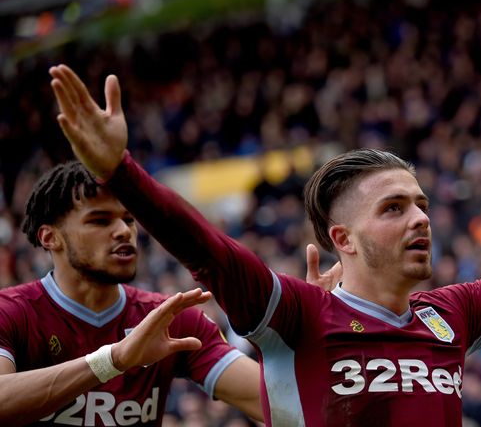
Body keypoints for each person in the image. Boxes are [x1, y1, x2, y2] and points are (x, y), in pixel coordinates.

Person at [49, 64, 481, 426]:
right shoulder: (296, 316)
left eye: (420, 204)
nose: (420, 219)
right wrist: (120, 174)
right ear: (342, 239)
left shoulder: (453, 313)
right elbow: (207, 247)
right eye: (394, 208)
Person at [0, 158, 339, 426]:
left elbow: (280, 406)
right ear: (50, 238)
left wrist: (307, 338)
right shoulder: (12, 311)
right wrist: (112, 361)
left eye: (129, 219)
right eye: (100, 220)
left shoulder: (171, 319)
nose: (122, 231)